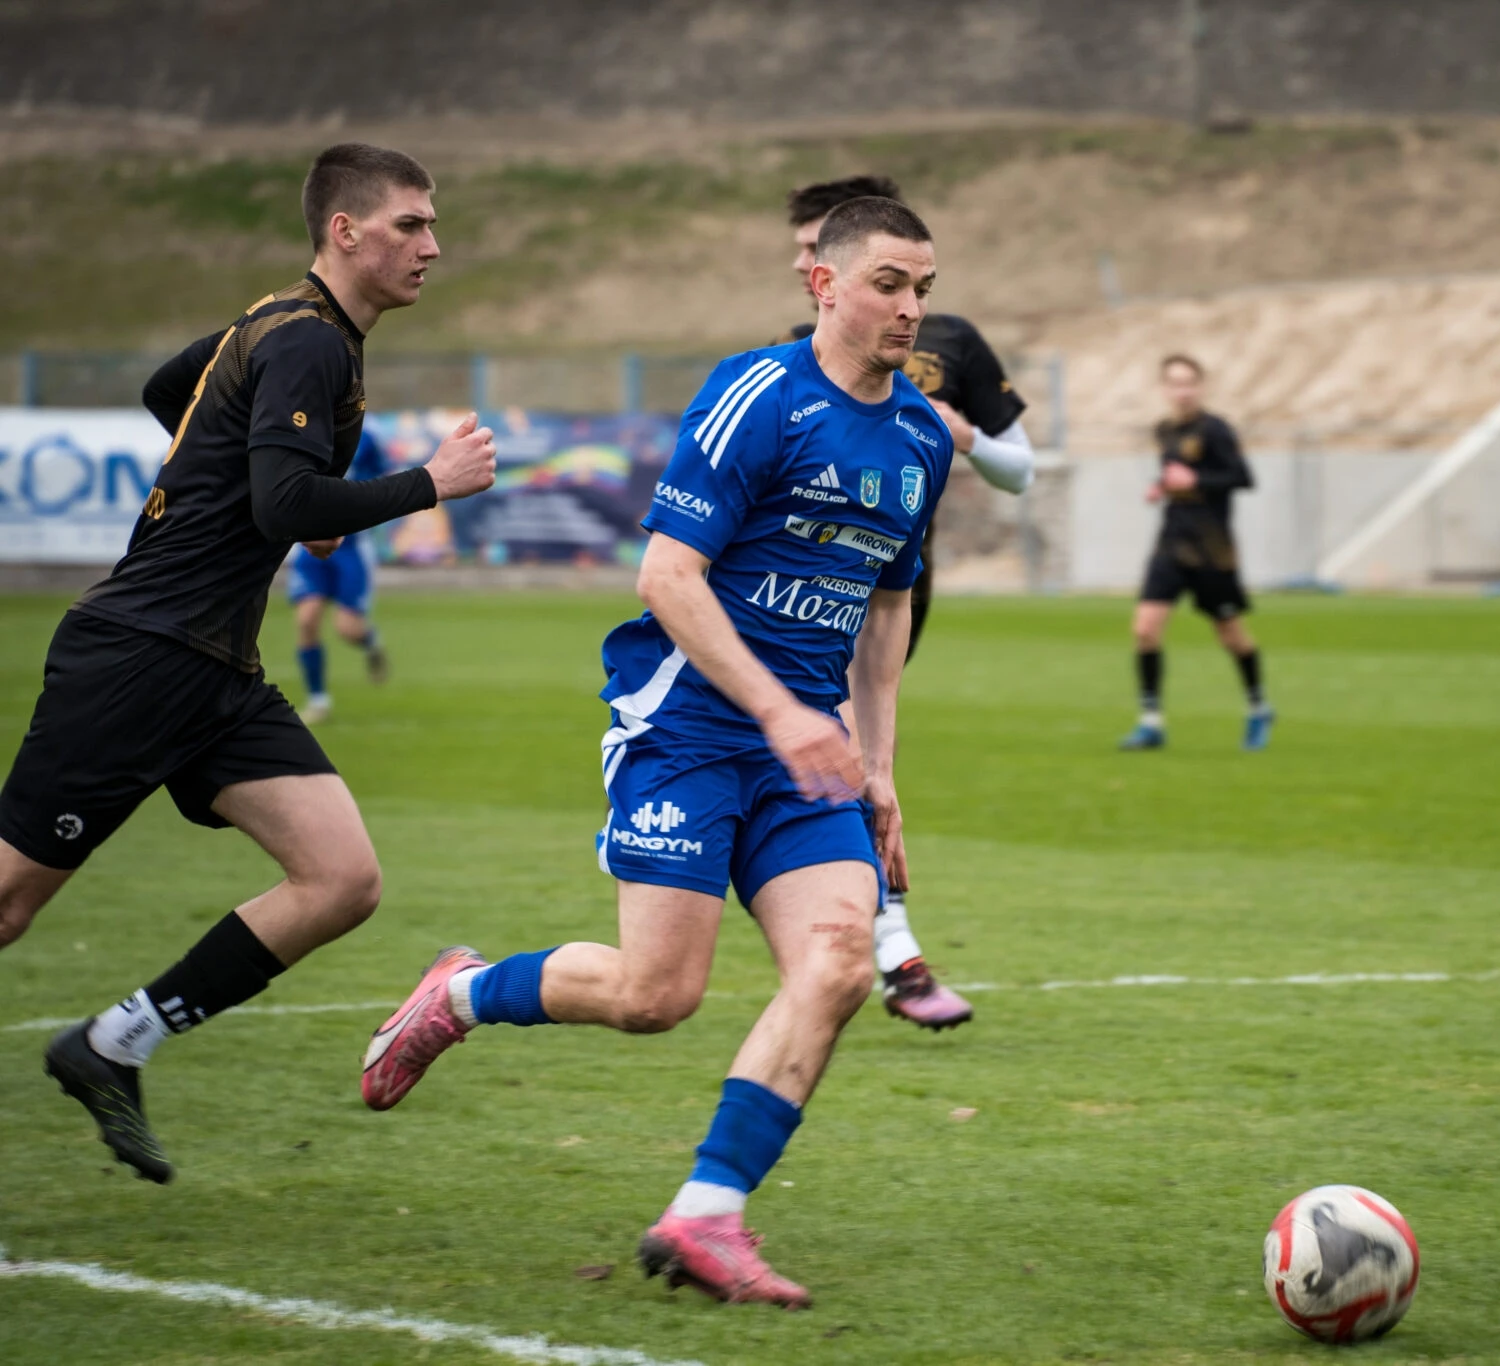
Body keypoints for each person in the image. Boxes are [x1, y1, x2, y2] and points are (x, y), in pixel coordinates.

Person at [359, 196, 951, 1310]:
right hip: (685, 727)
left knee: (836, 963)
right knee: (653, 995)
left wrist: (878, 767)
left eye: (923, 287)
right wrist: (780, 710)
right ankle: (463, 993)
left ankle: (706, 1215)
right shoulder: (757, 394)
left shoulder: (921, 437)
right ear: (822, 284)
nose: (910, 307)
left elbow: (887, 608)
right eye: (888, 283)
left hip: (808, 756)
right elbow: (667, 577)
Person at [0, 143, 497, 1184]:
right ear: (345, 232)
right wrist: (430, 483)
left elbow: (171, 391)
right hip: (139, 656)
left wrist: (251, 475)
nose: (432, 246)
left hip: (213, 672)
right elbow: (283, 505)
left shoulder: (282, 324)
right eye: (410, 224)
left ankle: (111, 1045)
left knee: (341, 878)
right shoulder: (307, 340)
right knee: (7, 903)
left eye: (432, 224)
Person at [782, 174, 1035, 1030]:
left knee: (850, 755)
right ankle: (890, 953)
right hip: (800, 597)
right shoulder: (785, 363)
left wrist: (965, 436)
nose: (801, 264)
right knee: (834, 757)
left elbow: (1021, 471)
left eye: (813, 245)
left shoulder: (948, 341)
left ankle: (870, 949)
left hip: (892, 588)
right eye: (799, 252)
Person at [1121, 354, 1272, 751]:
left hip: (1211, 551)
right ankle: (1151, 723)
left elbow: (1242, 477)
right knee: (1145, 629)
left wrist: (1196, 479)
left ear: (1201, 387)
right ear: (1164, 389)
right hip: (1171, 543)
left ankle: (1258, 707)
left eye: (1189, 382)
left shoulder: (1216, 429)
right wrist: (1161, 487)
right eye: (1175, 383)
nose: (1183, 391)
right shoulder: (1164, 430)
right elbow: (1175, 475)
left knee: (1231, 635)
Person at [287, 427, 393, 723]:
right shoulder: (299, 429)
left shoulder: (365, 438)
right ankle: (318, 700)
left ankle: (371, 641)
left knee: (348, 629)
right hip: (309, 542)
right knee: (306, 620)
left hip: (351, 547)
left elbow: (382, 477)